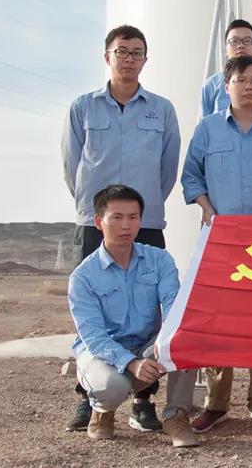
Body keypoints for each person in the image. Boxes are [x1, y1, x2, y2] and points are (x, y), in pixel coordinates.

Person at [61, 24, 181, 432]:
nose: (129, 59)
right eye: (121, 51)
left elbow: (167, 168)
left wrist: (139, 211)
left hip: (144, 220)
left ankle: (144, 400)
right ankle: (92, 398)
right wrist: (97, 210)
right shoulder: (83, 107)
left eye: (136, 52)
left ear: (145, 59)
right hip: (96, 221)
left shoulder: (161, 109)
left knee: (149, 309)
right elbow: (72, 164)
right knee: (94, 306)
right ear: (107, 56)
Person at [181, 54, 252, 431]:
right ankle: (216, 403)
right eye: (241, 80)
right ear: (226, 86)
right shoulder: (208, 129)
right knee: (220, 320)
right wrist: (207, 208)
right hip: (221, 240)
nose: (249, 86)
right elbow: (191, 176)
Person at [67, 185, 199, 447]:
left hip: (148, 347)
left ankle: (175, 417)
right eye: (116, 217)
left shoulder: (159, 260)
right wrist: (130, 362)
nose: (126, 225)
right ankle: (102, 411)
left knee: (186, 340)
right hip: (102, 353)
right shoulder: (83, 277)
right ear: (99, 222)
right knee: (112, 386)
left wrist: (166, 342)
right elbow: (93, 336)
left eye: (133, 217)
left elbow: (173, 307)